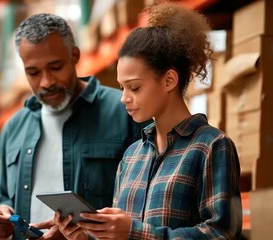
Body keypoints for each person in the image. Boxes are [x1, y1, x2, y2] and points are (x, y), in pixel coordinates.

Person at [55, 3, 242, 240]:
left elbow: (221, 233)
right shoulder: (132, 155)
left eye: (134, 87)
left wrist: (134, 232)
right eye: (122, 87)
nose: (124, 98)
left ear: (169, 80)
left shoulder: (211, 146)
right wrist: (85, 235)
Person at [0, 13, 149, 240]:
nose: (46, 82)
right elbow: (2, 196)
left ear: (74, 56)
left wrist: (83, 233)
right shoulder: (14, 128)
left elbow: (148, 206)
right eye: (33, 72)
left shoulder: (125, 113)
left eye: (55, 67)